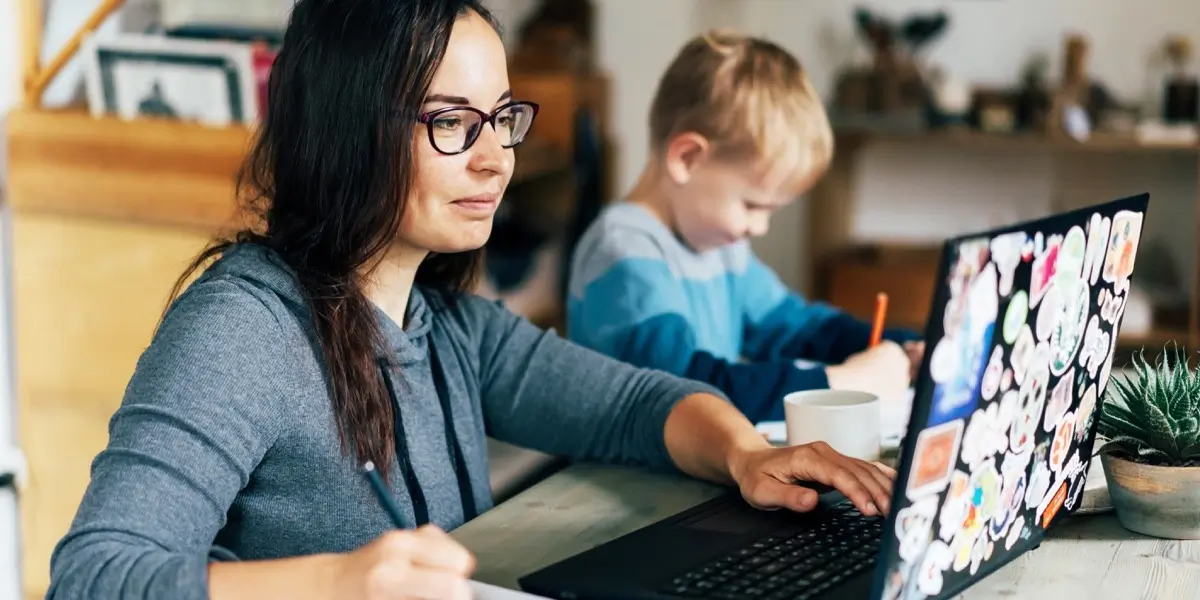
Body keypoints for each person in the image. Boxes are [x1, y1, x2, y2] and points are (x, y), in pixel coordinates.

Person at [46, 3, 897, 599]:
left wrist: (745, 456)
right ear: (349, 128)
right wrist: (338, 583)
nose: (496, 159)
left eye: (500, 119)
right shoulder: (242, 329)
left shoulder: (448, 326)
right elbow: (92, 576)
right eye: (452, 123)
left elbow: (636, 404)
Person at [565, 31, 924, 424]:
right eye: (752, 205)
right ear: (687, 159)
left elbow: (797, 328)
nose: (760, 227)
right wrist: (841, 382)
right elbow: (690, 392)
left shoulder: (719, 246)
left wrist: (904, 346)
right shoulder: (624, 252)